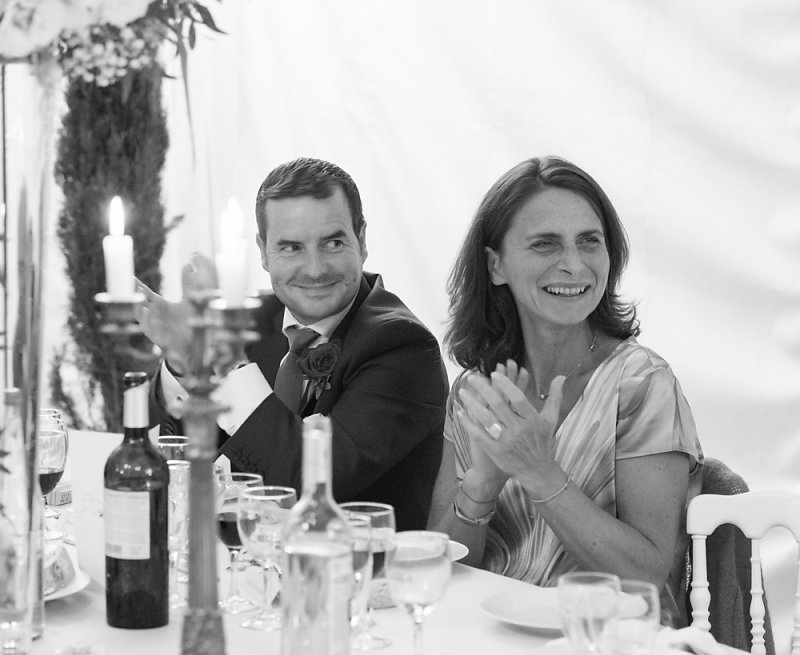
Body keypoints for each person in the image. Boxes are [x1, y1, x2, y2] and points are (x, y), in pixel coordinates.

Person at [427, 156, 703, 622]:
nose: (574, 265)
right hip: (488, 638)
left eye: (589, 241)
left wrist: (539, 472)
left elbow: (648, 577)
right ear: (495, 265)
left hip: (608, 646)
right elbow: (441, 574)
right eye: (545, 244)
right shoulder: (475, 389)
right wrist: (481, 487)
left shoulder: (641, 383)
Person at [138, 157, 448, 531]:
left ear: (362, 241)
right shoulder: (253, 320)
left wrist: (228, 365)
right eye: (291, 247)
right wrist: (181, 364)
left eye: (333, 243)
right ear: (263, 251)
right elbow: (173, 458)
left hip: (359, 561)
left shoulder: (403, 348)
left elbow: (310, 486)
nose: (315, 269)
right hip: (244, 551)